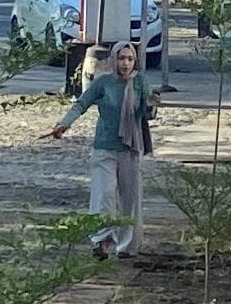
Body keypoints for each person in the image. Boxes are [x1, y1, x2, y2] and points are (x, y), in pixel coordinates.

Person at [49, 33, 157, 256]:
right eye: (121, 58)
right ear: (113, 60)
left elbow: (147, 113)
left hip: (130, 149)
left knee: (130, 199)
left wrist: (151, 105)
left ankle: (127, 246)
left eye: (129, 58)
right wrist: (64, 124)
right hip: (105, 148)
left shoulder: (140, 83)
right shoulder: (103, 83)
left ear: (134, 61)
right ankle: (102, 241)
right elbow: (81, 104)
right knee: (104, 195)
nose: (125, 63)